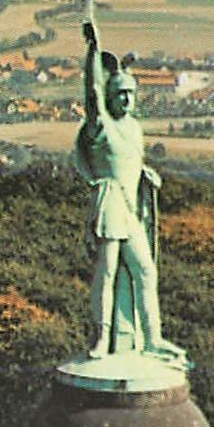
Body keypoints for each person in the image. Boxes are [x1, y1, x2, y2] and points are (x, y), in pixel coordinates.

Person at [74, 20, 184, 363]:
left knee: (146, 271)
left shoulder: (135, 129)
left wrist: (144, 172)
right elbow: (91, 92)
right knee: (105, 274)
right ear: (110, 96)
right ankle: (101, 337)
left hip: (131, 210)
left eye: (131, 94)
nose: (126, 99)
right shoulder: (101, 127)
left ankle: (153, 338)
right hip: (109, 206)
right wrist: (94, 48)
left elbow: (130, 161)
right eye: (120, 93)